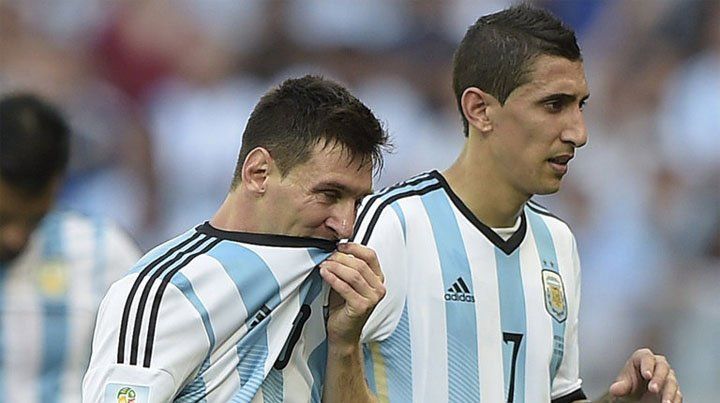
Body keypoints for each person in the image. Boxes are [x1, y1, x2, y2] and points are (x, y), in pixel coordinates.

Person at [352, 5, 682, 403]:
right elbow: (317, 379)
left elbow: (556, 395)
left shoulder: (557, 242)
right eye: (554, 105)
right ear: (480, 110)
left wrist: (620, 402)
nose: (579, 133)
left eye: (580, 105)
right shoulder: (394, 225)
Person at [82, 75, 389, 402]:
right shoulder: (164, 292)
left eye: (358, 202)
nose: (346, 225)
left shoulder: (345, 292)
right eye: (329, 194)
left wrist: (344, 346)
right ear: (258, 173)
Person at [0, 93, 141, 402]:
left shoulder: (103, 251)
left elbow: (141, 370)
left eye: (34, 219)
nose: (14, 237)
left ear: (57, 184)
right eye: (2, 218)